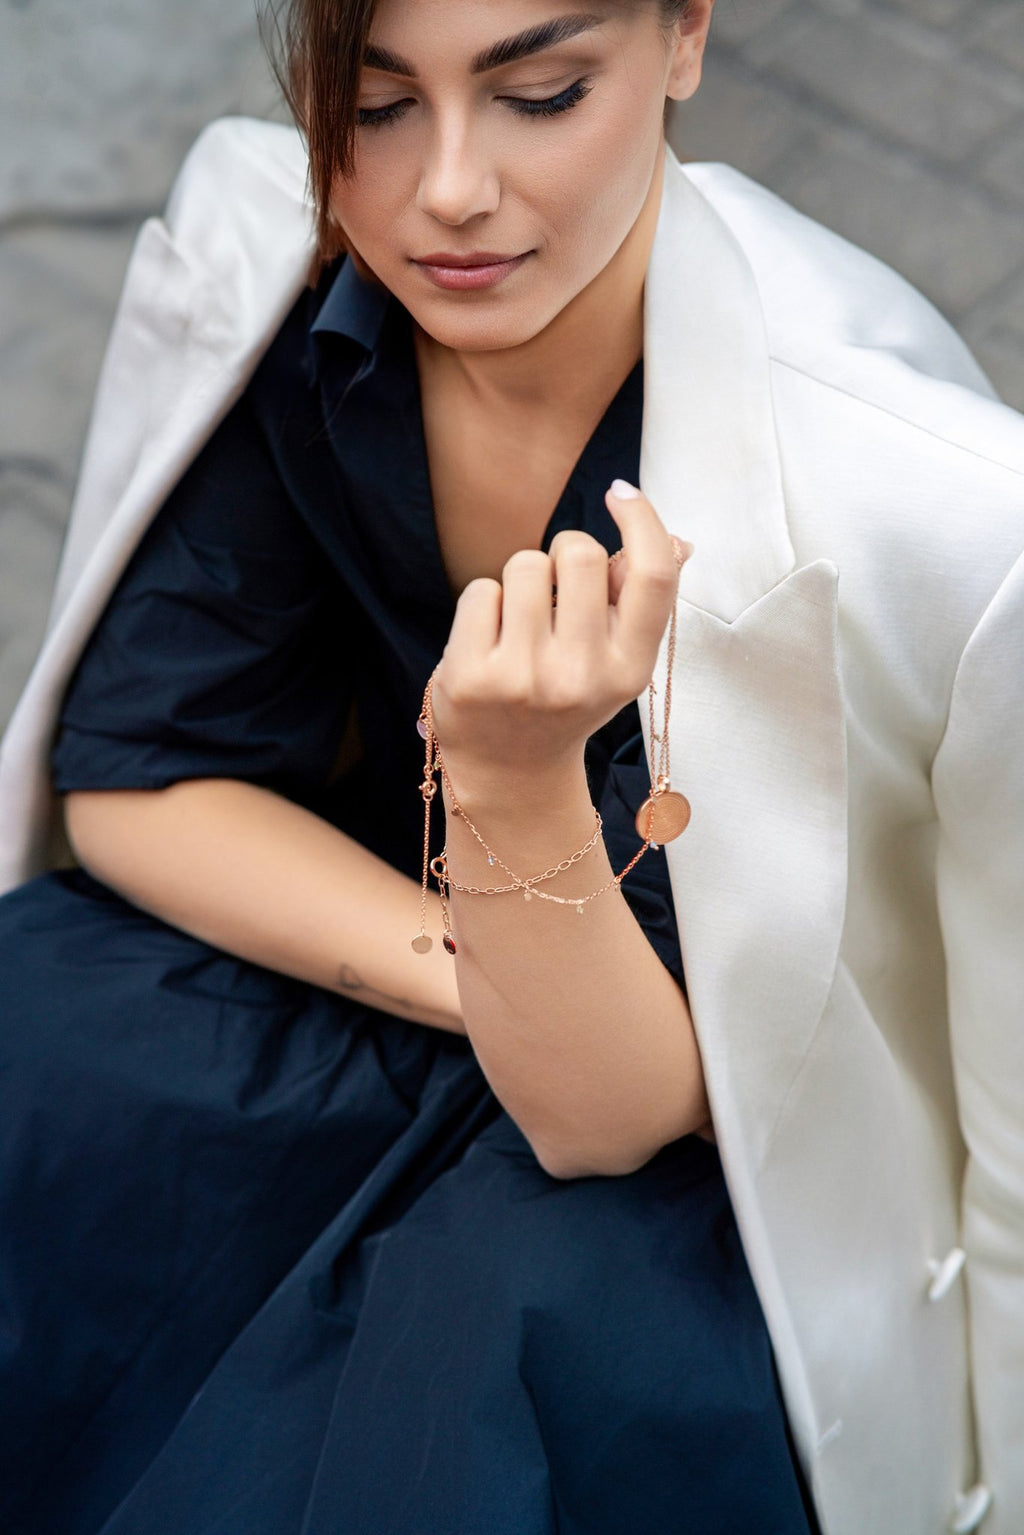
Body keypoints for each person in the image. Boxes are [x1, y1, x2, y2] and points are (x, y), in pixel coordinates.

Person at [0, 0, 1021, 1530]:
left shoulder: (935, 506)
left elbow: (616, 1111)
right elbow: (143, 776)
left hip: (689, 1170)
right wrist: (466, 964)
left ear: (685, 38)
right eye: (377, 99)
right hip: (394, 963)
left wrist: (514, 778)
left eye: (540, 93)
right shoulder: (283, 262)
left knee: (463, 1410)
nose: (447, 192)